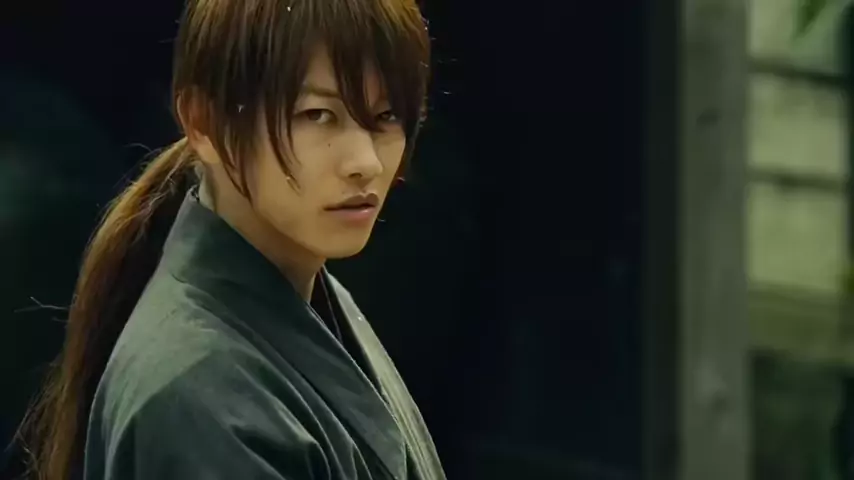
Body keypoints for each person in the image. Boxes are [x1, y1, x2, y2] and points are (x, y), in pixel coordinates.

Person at [20, 1, 445, 479]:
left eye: (386, 115)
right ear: (204, 123)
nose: (366, 161)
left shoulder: (310, 293)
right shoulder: (197, 396)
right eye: (318, 114)